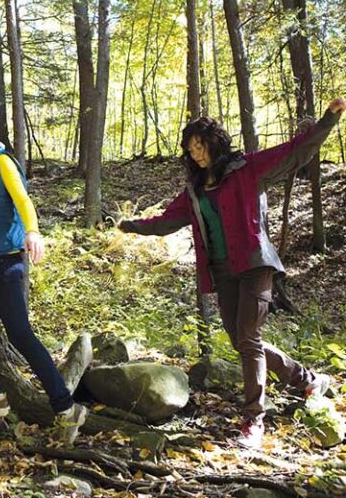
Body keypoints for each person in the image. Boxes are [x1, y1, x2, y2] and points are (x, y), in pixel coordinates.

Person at [118, 98, 345, 448]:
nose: (197, 153)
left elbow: (295, 151)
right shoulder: (194, 191)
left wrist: (328, 121)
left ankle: (254, 419)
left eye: (201, 145)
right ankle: (307, 379)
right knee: (242, 339)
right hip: (222, 272)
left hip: (255, 265)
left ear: (214, 142)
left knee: (248, 338)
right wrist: (132, 226)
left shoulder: (247, 168)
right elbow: (166, 221)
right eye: (191, 149)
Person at [0, 110, 87, 445]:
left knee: (20, 335)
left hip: (7, 261)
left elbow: (22, 199)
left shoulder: (1, 162)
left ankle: (67, 408)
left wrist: (33, 232)